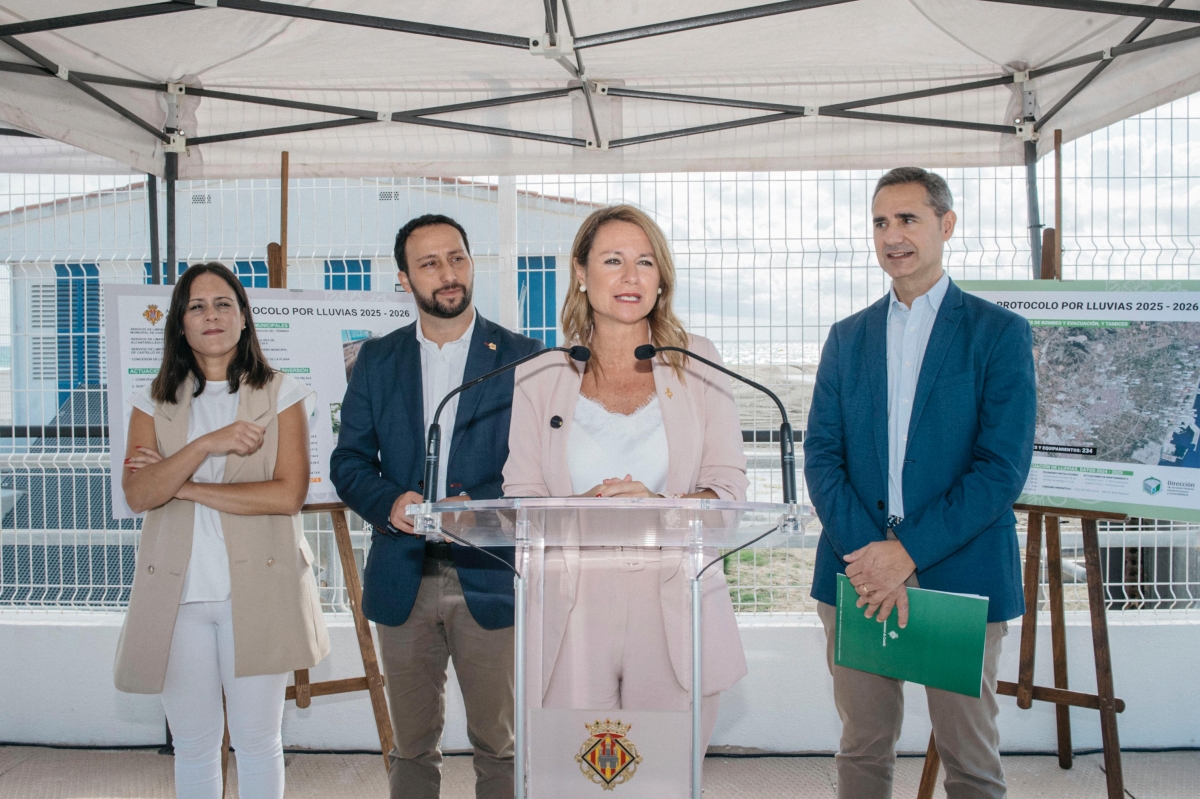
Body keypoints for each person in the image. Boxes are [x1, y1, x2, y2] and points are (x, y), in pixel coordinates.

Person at [804, 167, 1037, 799]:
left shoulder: (999, 334)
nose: (892, 236)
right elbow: (821, 455)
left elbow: (1001, 468)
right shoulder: (846, 338)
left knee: (971, 763)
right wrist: (870, 557)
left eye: (908, 218)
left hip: (959, 575)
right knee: (862, 749)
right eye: (880, 222)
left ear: (946, 224)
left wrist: (906, 552)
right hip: (856, 576)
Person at [502, 204, 749, 747]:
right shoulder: (538, 375)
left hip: (674, 596)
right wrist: (579, 505)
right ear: (581, 273)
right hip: (571, 605)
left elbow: (728, 489)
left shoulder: (699, 362)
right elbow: (520, 497)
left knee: (663, 775)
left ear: (662, 278)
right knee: (575, 777)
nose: (631, 277)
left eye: (645, 262)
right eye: (612, 260)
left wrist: (660, 502)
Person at [330, 214, 542, 799]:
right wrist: (390, 499)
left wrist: (481, 505)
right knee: (413, 747)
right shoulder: (376, 360)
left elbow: (545, 470)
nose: (447, 275)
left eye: (456, 258)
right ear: (404, 278)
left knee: (499, 746)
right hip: (405, 575)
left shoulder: (525, 358)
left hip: (489, 572)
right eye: (429, 264)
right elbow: (347, 463)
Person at [113, 262, 328, 799]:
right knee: (194, 745)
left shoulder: (282, 392)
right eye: (197, 306)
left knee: (257, 741)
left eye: (224, 303)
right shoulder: (154, 399)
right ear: (180, 324)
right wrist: (206, 446)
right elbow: (139, 494)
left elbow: (286, 495)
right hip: (178, 594)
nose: (212, 315)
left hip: (259, 589)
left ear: (243, 317)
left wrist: (181, 485)